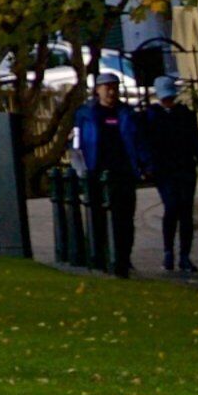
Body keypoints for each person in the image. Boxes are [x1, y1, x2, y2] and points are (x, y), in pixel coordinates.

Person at [72, 74, 147, 275]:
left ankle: (123, 257)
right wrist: (80, 167)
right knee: (97, 216)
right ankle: (100, 256)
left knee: (125, 218)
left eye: (114, 87)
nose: (111, 92)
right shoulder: (85, 113)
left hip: (123, 171)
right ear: (97, 90)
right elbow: (77, 144)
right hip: (96, 171)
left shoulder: (127, 113)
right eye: (106, 87)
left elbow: (138, 142)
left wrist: (144, 165)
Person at [137, 76, 198, 276]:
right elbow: (143, 143)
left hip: (184, 167)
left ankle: (184, 255)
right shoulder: (150, 116)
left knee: (185, 211)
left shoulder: (185, 115)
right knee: (171, 207)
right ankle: (168, 251)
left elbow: (195, 141)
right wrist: (147, 166)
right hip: (164, 169)